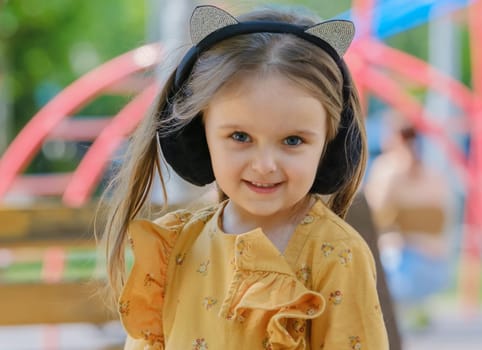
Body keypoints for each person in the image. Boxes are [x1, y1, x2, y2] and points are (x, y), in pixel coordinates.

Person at [100, 5, 389, 349]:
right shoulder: (176, 247)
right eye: (240, 137)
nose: (265, 164)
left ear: (330, 142)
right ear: (199, 134)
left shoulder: (337, 255)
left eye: (293, 141)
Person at [365, 123, 451, 329]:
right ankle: (416, 313)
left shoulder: (388, 169)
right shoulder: (435, 174)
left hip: (401, 267)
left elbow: (373, 211)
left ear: (394, 140)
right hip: (437, 264)